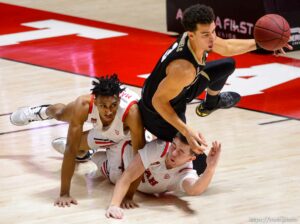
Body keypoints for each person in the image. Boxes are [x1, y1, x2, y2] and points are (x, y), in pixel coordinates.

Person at [138, 4, 292, 173]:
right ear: (191, 34)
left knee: (227, 65)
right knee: (200, 166)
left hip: (180, 90)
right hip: (156, 112)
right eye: (206, 34)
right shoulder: (184, 69)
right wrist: (186, 130)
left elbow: (226, 47)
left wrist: (263, 43)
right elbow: (158, 101)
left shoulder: (198, 39)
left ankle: (210, 104)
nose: (212, 38)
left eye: (213, 31)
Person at [10, 74, 145, 207]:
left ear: (119, 101)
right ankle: (41, 111)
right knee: (61, 115)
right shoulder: (83, 104)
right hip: (106, 133)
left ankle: (84, 153)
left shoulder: (132, 113)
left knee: (120, 173)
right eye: (103, 106)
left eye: (113, 105)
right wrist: (64, 194)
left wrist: (128, 196)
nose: (109, 111)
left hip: (125, 136)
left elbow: (140, 159)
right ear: (95, 100)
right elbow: (70, 149)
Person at [101, 132, 221, 219]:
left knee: (96, 158)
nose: (174, 153)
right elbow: (126, 177)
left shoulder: (185, 171)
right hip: (120, 159)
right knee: (94, 149)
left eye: (181, 152)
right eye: (174, 146)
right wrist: (114, 205)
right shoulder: (159, 148)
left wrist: (210, 168)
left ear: (191, 158)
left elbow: (194, 189)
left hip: (125, 170)